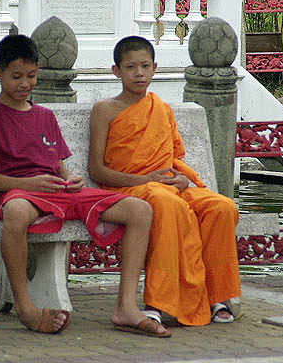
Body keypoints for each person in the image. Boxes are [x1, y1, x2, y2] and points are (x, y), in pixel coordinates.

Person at [0, 34, 170, 337]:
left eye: (31, 76)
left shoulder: (45, 116)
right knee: (16, 211)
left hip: (57, 192)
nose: (25, 84)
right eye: (16, 76)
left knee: (139, 209)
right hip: (18, 193)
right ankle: (25, 306)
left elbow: (59, 167)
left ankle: (126, 306)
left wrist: (72, 178)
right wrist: (28, 183)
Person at [88, 35, 241, 327]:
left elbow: (171, 159)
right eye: (131, 67)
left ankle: (215, 296)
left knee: (221, 207)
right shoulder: (105, 110)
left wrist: (181, 179)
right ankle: (157, 301)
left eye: (145, 66)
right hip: (126, 188)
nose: (139, 73)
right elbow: (97, 170)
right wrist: (145, 178)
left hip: (164, 184)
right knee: (166, 203)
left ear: (155, 68)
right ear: (116, 71)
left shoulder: (161, 108)